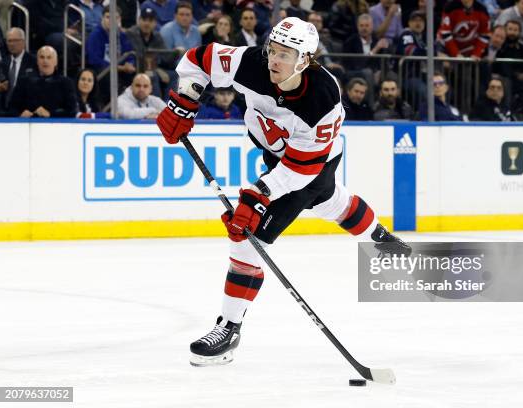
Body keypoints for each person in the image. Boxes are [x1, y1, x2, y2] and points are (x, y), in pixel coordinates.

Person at [155, 16, 411, 366]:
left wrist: (259, 193)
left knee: (248, 233)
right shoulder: (251, 63)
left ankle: (230, 328)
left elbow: (301, 169)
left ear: (304, 60)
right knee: (332, 202)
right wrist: (185, 99)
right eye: (272, 50)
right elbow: (198, 60)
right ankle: (380, 237)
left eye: (285, 54)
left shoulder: (323, 96)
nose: (274, 60)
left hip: (311, 165)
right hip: (280, 157)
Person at [9, 46, 76, 118]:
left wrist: (50, 114)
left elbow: (72, 111)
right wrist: (20, 115)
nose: (45, 61)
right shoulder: (24, 82)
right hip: (28, 125)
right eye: (42, 57)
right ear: (37, 61)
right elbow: (12, 109)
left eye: (49, 57)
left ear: (55, 62)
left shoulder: (66, 83)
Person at [86, 7, 137, 103]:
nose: (111, 21)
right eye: (108, 17)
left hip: (120, 69)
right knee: (108, 75)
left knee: (140, 73)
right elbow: (94, 60)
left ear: (119, 19)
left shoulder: (122, 36)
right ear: (102, 18)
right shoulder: (95, 35)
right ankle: (116, 107)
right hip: (102, 71)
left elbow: (130, 53)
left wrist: (130, 64)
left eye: (115, 18)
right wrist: (119, 67)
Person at [493, 20, 523, 114]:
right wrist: (517, 75)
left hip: (517, 77)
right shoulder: (501, 45)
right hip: (501, 75)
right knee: (507, 81)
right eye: (510, 29)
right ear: (505, 30)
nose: (512, 32)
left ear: (519, 32)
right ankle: (506, 111)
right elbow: (501, 66)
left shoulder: (521, 47)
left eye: (515, 30)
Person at [0, 28, 37, 114]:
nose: (12, 44)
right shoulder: (2, 63)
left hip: (25, 111)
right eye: (9, 41)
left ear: (23, 42)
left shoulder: (34, 62)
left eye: (15, 40)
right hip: (3, 112)